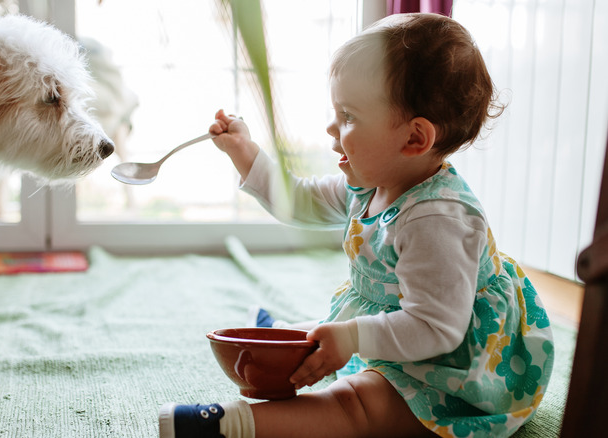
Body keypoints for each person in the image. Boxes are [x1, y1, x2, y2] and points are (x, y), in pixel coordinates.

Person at [158, 13, 554, 438]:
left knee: (356, 404)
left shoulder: (439, 219)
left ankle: (232, 425)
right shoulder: (372, 183)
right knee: (314, 340)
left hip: (455, 371)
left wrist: (350, 338)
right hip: (400, 333)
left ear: (414, 139)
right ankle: (296, 345)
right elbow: (302, 201)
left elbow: (434, 327)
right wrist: (245, 154)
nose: (331, 129)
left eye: (348, 116)